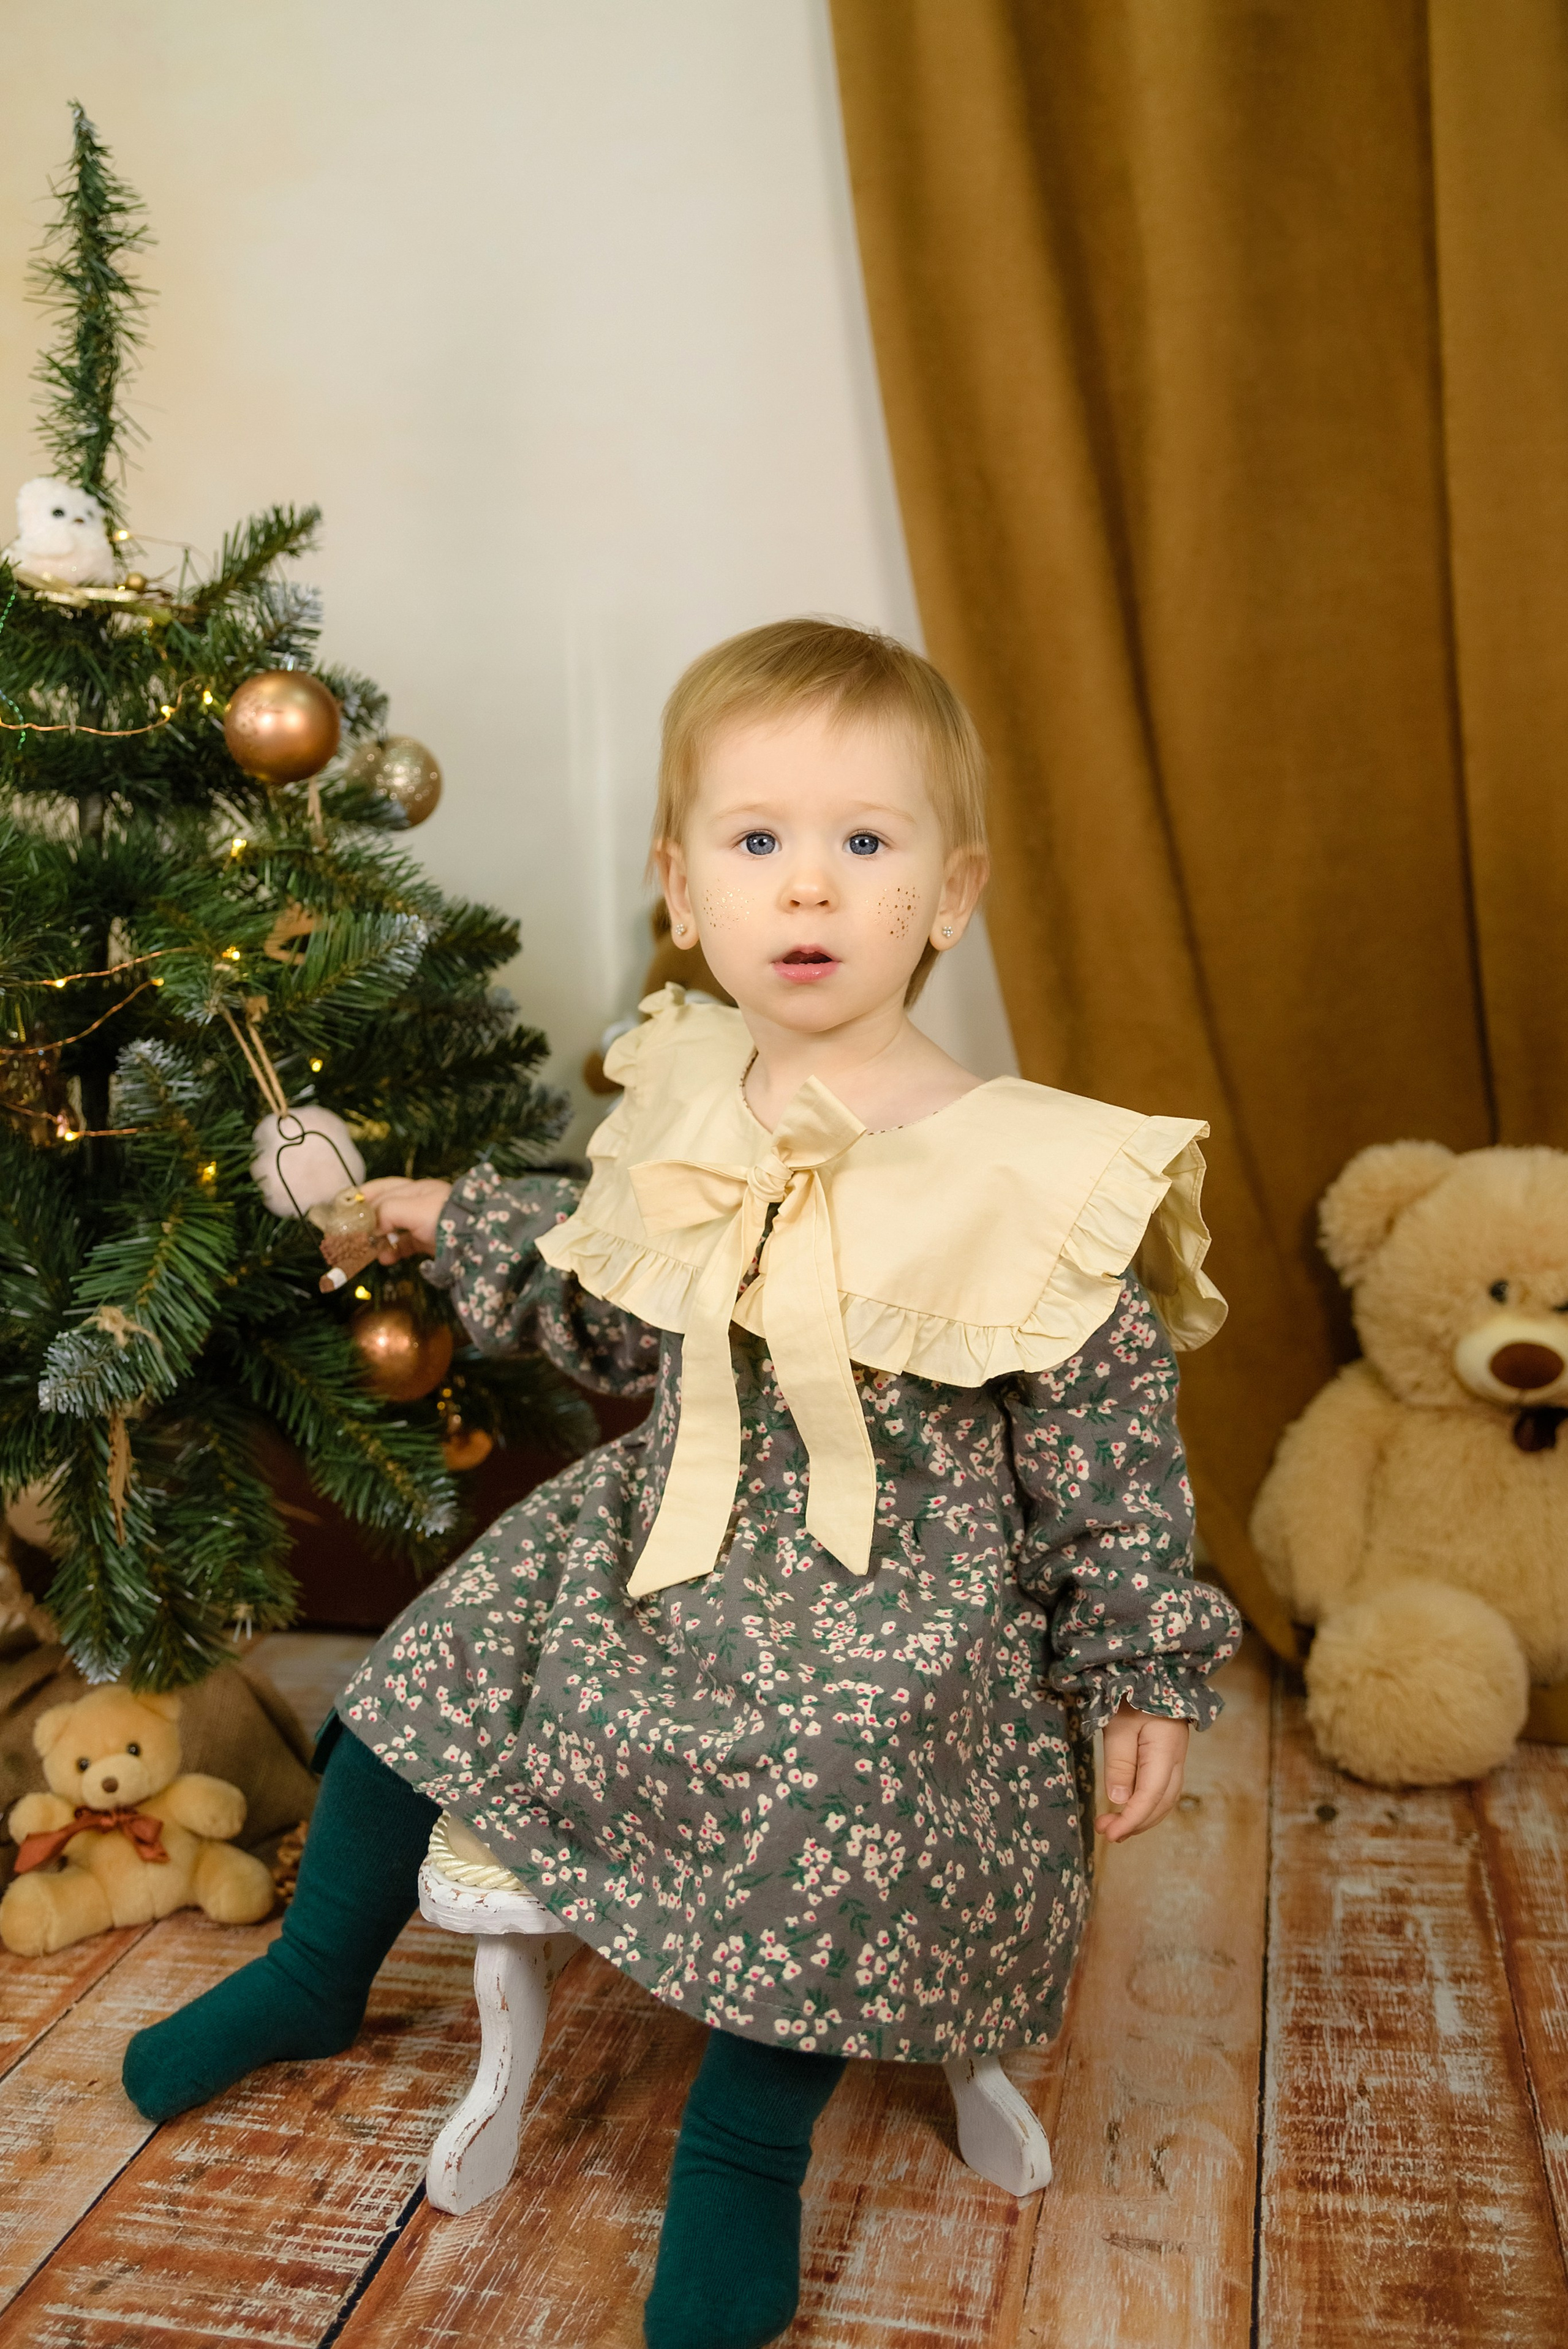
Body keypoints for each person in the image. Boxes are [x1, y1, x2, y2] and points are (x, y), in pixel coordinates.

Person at [124, 619, 1242, 2349]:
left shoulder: (1027, 1165)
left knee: (847, 1755)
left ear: (948, 895)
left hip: (901, 1580)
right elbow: (606, 1302)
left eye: (865, 843)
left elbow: (1103, 1441)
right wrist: (437, 1208)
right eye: (758, 839)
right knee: (445, 1645)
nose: (809, 886)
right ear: (681, 884)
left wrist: (1137, 1665)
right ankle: (312, 1970)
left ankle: (741, 2142)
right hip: (682, 1517)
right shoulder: (691, 1087)